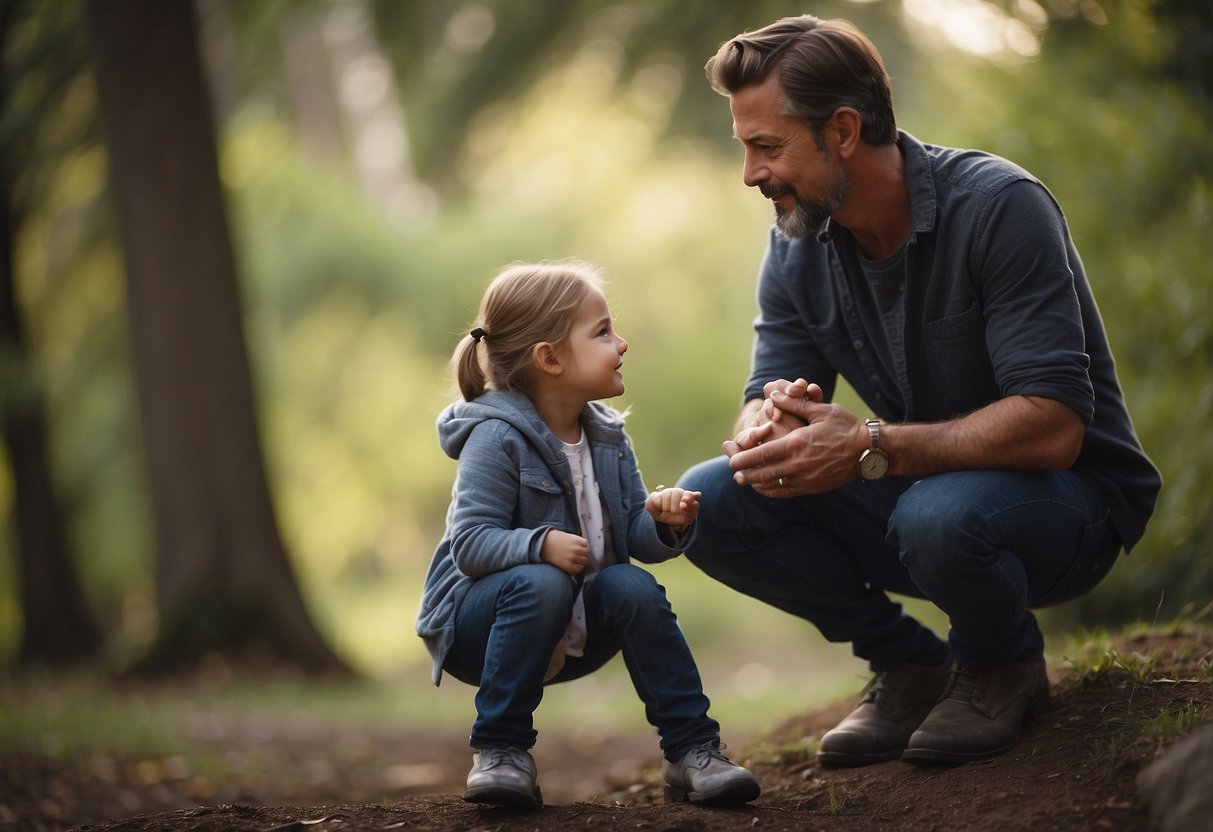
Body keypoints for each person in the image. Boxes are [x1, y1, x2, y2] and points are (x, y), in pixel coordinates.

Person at [677, 15, 1161, 767]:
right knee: (716, 501)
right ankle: (908, 666)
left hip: (1066, 509)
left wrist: (868, 445)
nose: (750, 173)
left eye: (766, 146)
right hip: (923, 502)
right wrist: (763, 430)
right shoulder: (797, 240)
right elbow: (766, 382)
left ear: (841, 130)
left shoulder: (999, 207)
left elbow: (1054, 426)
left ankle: (1000, 666)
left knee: (937, 515)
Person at [416, 261, 761, 808]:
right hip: (482, 628)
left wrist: (665, 524)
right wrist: (540, 545)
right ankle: (501, 751)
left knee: (633, 586)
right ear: (549, 358)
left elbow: (630, 538)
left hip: (579, 621)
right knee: (540, 582)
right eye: (602, 331)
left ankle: (693, 750)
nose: (621, 343)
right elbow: (470, 544)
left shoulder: (607, 436)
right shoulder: (495, 438)